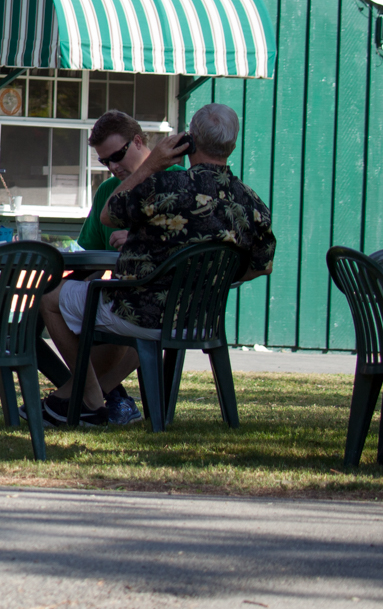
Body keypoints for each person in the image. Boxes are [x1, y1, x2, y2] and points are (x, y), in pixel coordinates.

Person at [41, 103, 275, 426]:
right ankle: (80, 397)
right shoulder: (251, 202)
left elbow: (109, 213)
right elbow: (263, 265)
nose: (111, 166)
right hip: (200, 320)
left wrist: (151, 166)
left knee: (49, 297)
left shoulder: (162, 189)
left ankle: (91, 402)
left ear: (189, 141)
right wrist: (209, 284)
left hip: (141, 315)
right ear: (232, 146)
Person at [78, 111, 181, 253]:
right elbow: (91, 257)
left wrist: (141, 242)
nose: (113, 167)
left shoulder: (181, 180)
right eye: (105, 161)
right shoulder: (107, 190)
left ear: (138, 141)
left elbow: (194, 247)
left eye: (117, 155)